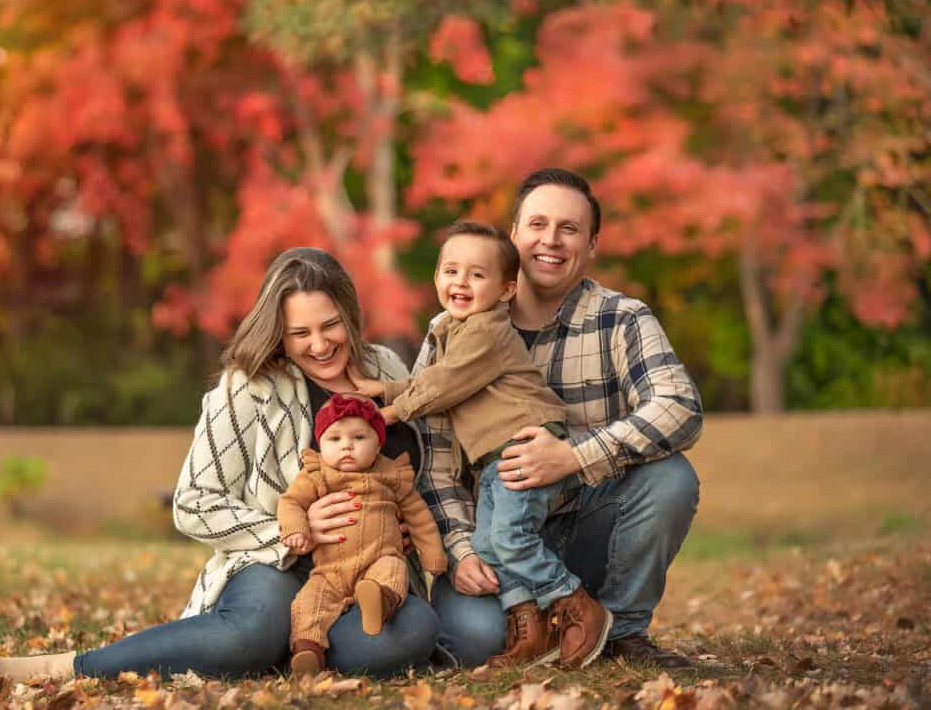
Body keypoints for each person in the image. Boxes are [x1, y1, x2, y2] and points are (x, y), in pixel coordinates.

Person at [0, 248, 440, 682]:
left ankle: (294, 643)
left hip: (372, 568)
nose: (319, 344)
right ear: (278, 332)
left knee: (413, 630)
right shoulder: (249, 387)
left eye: (329, 325)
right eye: (300, 333)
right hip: (277, 564)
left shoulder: (388, 369)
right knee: (249, 632)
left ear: (350, 315)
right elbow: (193, 503)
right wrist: (293, 530)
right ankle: (71, 667)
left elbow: (426, 466)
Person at [419, 168, 704, 669]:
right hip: (495, 539)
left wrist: (572, 455)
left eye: (569, 229)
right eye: (537, 224)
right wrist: (462, 550)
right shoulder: (449, 329)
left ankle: (620, 631)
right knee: (473, 644)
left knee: (671, 479)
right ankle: (541, 620)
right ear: (514, 236)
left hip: (591, 525)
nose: (550, 240)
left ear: (591, 245)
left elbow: (679, 407)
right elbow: (434, 461)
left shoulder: (621, 318)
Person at [352, 222, 611, 669]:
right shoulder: (451, 331)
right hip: (492, 459)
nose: (461, 282)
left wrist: (388, 412)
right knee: (490, 546)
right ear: (436, 279)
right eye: (451, 271)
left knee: (510, 536)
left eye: (477, 274)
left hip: (523, 446)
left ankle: (575, 602)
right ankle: (527, 625)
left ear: (507, 289)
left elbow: (446, 383)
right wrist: (386, 389)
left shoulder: (486, 330)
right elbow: (432, 380)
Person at [278, 394, 447, 676]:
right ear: (320, 444)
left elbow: (419, 517)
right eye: (334, 439)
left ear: (378, 443)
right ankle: (308, 651)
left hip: (378, 559)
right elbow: (290, 502)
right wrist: (296, 528)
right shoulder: (317, 475)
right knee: (308, 603)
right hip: (330, 570)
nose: (347, 446)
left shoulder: (392, 475)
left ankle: (380, 602)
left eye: (358, 438)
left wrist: (433, 556)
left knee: (393, 569)